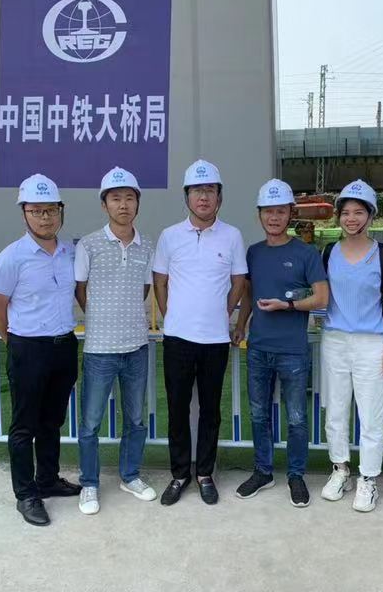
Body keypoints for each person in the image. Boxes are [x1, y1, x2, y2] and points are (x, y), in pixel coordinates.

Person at [153, 159, 247, 506]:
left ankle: (205, 473)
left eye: (210, 190)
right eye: (197, 191)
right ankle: (179, 474)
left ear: (219, 197)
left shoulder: (232, 235)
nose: (203, 197)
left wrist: (225, 312)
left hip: (215, 340)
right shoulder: (170, 236)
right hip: (178, 339)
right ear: (187, 197)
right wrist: (172, 315)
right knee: (178, 408)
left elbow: (239, 280)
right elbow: (160, 282)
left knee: (210, 409)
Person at [0, 174, 81, 526]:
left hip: (63, 346)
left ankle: (48, 479)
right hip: (28, 348)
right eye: (37, 211)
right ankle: (26, 494)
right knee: (24, 426)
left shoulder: (70, 252)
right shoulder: (12, 258)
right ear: (24, 213)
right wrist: (15, 343)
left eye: (51, 210)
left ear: (61, 211)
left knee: (52, 421)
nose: (45, 218)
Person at [232, 179, 328, 508]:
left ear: (290, 214)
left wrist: (287, 305)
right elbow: (248, 294)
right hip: (258, 347)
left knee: (297, 417)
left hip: (292, 351)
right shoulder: (254, 252)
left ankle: (296, 475)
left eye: (280, 211)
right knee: (258, 414)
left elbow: (321, 297)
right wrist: (240, 325)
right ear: (259, 214)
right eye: (268, 212)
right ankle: (263, 471)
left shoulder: (306, 253)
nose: (274, 217)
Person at [319, 180, 383, 513]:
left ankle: (368, 478)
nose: (351, 218)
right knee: (335, 409)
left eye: (359, 212)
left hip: (372, 342)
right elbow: (320, 295)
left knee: (371, 413)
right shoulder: (328, 252)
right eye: (346, 212)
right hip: (335, 340)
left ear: (370, 215)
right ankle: (340, 469)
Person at [75, 167, 157, 516]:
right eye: (115, 198)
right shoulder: (89, 244)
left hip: (136, 346)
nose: (123, 205)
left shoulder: (147, 245)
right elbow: (80, 289)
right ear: (104, 204)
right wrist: (102, 317)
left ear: (137, 203)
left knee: (136, 419)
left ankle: (130, 475)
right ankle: (89, 483)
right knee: (90, 422)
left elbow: (145, 289)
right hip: (99, 349)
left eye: (129, 198)